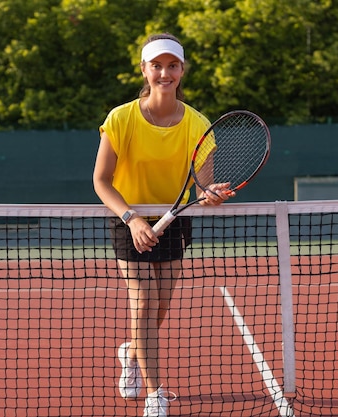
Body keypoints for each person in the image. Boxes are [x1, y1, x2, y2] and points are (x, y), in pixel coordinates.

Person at [93, 33, 235, 417]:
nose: (164, 73)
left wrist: (211, 194)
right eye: (156, 65)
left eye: (172, 65)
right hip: (128, 218)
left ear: (182, 70)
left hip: (175, 222)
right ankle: (155, 394)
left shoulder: (198, 125)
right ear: (144, 70)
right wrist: (132, 217)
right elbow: (102, 181)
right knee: (143, 303)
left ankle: (130, 352)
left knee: (160, 307)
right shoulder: (120, 119)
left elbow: (203, 185)